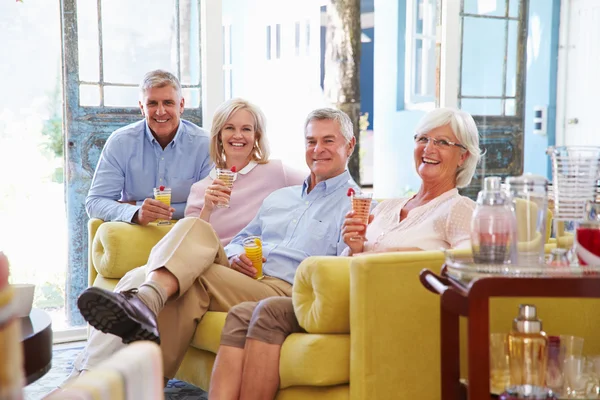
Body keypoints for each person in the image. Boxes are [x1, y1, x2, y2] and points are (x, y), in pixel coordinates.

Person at [208, 107, 482, 400]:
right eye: (423, 139)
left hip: (387, 304)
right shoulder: (388, 207)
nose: (429, 149)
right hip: (347, 294)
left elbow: (464, 266)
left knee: (270, 311)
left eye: (442, 142)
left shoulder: (459, 209)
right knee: (242, 313)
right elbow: (350, 260)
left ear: (463, 156)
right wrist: (356, 248)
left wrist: (382, 258)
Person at [75, 107, 360, 381]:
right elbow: (239, 241)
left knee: (183, 280)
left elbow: (345, 269)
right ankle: (118, 364)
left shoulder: (353, 205)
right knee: (191, 237)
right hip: (245, 277)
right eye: (311, 141)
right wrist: (236, 257)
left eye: (328, 141)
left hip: (288, 290)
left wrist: (354, 246)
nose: (317, 149)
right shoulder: (281, 198)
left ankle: (125, 345)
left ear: (349, 146)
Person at [85, 69, 212, 225]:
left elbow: (209, 205)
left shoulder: (205, 144)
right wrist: (136, 212)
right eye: (152, 103)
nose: (160, 111)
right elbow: (95, 202)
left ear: (181, 105)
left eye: (168, 102)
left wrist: (136, 204)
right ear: (141, 107)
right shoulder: (120, 143)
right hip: (136, 231)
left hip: (187, 231)